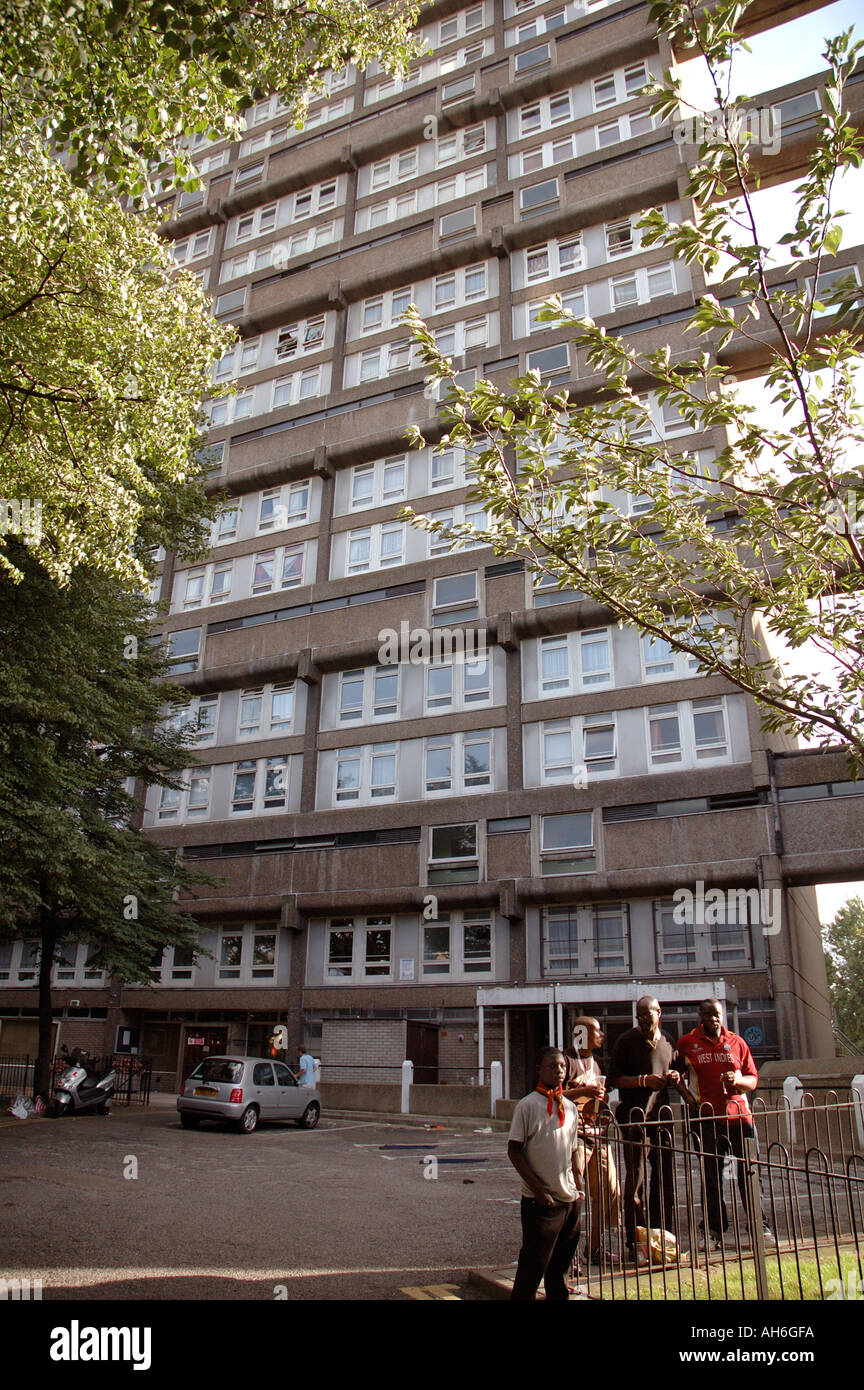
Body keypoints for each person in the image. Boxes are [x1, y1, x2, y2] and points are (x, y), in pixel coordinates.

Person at [675, 999, 774, 1250]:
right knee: (711, 1177)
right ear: (700, 1016)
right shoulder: (687, 1043)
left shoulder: (737, 1042)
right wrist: (688, 1099)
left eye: (716, 1014)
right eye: (707, 1015)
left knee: (749, 1174)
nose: (712, 1019)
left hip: (741, 1118)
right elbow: (674, 1075)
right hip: (708, 1120)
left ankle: (759, 1227)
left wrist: (739, 1079)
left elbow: (753, 1080)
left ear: (723, 1016)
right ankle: (714, 1230)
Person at [507, 1046, 584, 1300]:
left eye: (562, 1066)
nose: (559, 1071)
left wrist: (578, 1186)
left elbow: (573, 1149)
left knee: (559, 1273)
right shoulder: (527, 1106)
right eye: (552, 1066)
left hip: (569, 1201)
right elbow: (514, 1150)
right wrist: (539, 1191)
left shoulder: (570, 1108)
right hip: (541, 1202)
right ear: (539, 1070)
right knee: (532, 1269)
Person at [608, 996, 681, 1260]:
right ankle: (635, 1241)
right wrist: (643, 1081)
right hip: (634, 1119)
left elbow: (678, 1071)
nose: (642, 1019)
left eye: (647, 1014)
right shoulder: (626, 1041)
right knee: (635, 1181)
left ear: (659, 1012)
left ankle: (662, 1236)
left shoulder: (669, 1041)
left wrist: (675, 1077)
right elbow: (614, 1079)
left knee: (664, 1180)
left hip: (661, 1119)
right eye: (638, 1015)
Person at [564, 1017, 620, 1266]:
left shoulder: (594, 1064)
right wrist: (581, 1092)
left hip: (597, 1135)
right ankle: (570, 1253)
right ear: (581, 1033)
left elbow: (593, 1101)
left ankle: (595, 1248)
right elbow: (551, 1094)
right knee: (576, 1195)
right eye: (596, 1030)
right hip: (575, 1137)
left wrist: (600, 1099)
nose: (602, 1034)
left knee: (605, 1193)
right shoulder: (565, 1061)